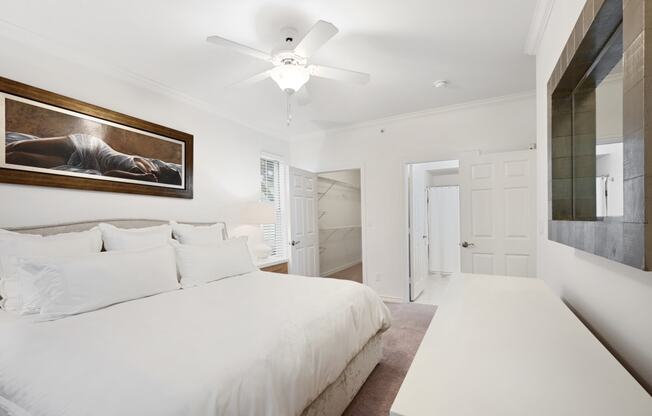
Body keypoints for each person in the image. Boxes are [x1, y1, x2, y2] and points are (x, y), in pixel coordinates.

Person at [5, 132, 182, 185]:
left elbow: (109, 174)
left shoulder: (145, 172)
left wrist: (142, 179)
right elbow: (111, 173)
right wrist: (141, 177)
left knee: (17, 157)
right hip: (86, 145)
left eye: (169, 170)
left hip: (83, 162)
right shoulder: (144, 167)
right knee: (16, 146)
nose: (168, 167)